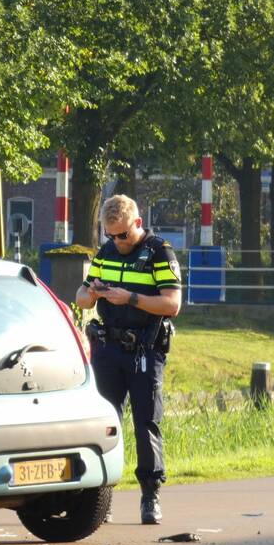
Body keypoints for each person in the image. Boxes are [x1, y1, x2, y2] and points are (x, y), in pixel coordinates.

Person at [75, 194, 181, 524]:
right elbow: (80, 299)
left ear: (137, 223)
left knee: (146, 421)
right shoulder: (105, 253)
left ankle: (151, 495)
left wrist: (130, 298)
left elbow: (172, 304)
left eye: (123, 235)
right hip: (108, 348)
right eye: (111, 235)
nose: (118, 242)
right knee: (106, 422)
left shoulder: (159, 252)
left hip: (145, 349)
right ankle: (101, 496)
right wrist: (91, 293)